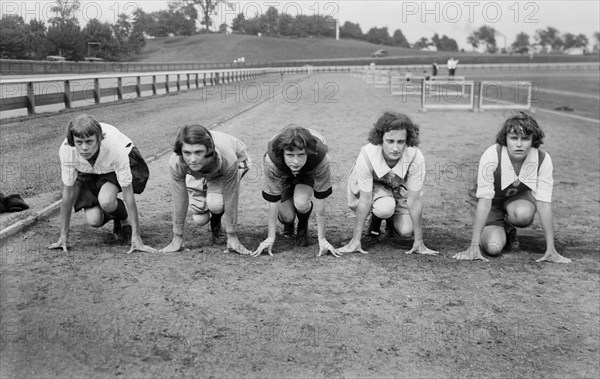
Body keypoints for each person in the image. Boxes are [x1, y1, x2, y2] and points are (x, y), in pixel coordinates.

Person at [453, 112, 571, 263]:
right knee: (493, 248)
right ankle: (505, 231)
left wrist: (551, 249)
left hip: (516, 199)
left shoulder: (542, 159)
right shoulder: (492, 155)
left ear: (533, 140)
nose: (519, 144)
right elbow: (484, 200)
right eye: (514, 138)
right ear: (506, 140)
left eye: (525, 139)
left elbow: (543, 203)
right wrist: (473, 246)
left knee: (523, 215)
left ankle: (509, 223)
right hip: (489, 204)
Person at [48, 114, 155, 254]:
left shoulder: (115, 148)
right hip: (88, 170)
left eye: (89, 141)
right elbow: (68, 193)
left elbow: (128, 193)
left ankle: (124, 218)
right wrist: (63, 236)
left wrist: (137, 237)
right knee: (94, 220)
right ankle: (115, 213)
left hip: (111, 167)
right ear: (72, 142)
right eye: (79, 142)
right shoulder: (67, 150)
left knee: (106, 200)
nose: (84, 148)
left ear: (99, 139)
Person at [339, 112, 438, 255]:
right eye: (390, 141)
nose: (396, 148)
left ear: (408, 140)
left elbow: (414, 201)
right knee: (385, 207)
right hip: (375, 186)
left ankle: (391, 220)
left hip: (398, 187)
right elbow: (365, 200)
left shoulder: (415, 156)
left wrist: (419, 242)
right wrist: (355, 240)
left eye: (401, 142)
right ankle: (377, 218)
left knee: (405, 231)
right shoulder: (367, 154)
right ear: (380, 139)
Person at [160, 125, 252, 255]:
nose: (192, 159)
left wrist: (232, 236)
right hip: (200, 169)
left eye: (198, 152)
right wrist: (177, 237)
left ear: (208, 149)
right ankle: (208, 199)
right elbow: (179, 198)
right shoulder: (176, 161)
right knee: (200, 219)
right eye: (187, 153)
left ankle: (217, 220)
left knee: (215, 204)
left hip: (227, 163)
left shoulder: (228, 158)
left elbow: (231, 195)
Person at [253, 125, 339, 257]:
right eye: (290, 155)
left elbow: (320, 201)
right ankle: (289, 224)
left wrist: (322, 239)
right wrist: (271, 237)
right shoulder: (272, 161)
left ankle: (303, 224)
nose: (295, 161)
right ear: (282, 152)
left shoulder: (321, 159)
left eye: (301, 155)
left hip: (308, 170)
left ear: (308, 152)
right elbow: (273, 201)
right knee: (287, 216)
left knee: (301, 203)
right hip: (283, 173)